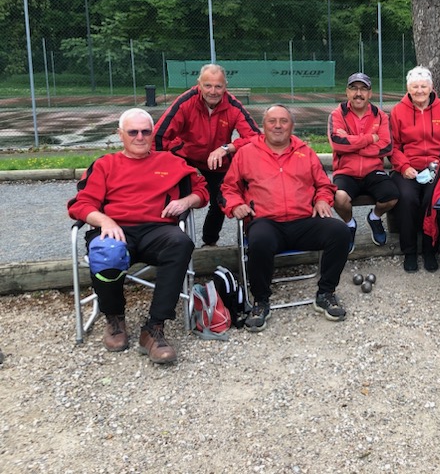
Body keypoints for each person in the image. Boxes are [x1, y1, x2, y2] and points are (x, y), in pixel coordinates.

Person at [67, 108, 209, 364]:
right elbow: (80, 204)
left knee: (181, 243)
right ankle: (114, 318)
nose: (140, 137)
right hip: (116, 229)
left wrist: (186, 201)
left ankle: (154, 328)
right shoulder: (105, 164)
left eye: (146, 131)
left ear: (153, 133)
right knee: (106, 251)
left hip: (158, 230)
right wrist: (104, 220)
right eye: (133, 132)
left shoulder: (171, 162)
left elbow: (202, 191)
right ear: (120, 134)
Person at [220, 105, 350, 331]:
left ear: (292, 126)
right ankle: (261, 301)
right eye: (272, 121)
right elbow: (228, 188)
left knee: (339, 231)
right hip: (266, 222)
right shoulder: (247, 152)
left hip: (303, 221)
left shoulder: (305, 151)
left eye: (283, 121)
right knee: (259, 240)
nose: (278, 126)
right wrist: (236, 205)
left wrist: (322, 200)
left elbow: (324, 184)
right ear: (264, 126)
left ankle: (326, 293)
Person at [154, 63, 260, 247]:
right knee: (177, 198)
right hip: (187, 158)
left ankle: (209, 243)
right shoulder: (185, 102)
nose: (213, 91)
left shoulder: (233, 106)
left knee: (221, 200)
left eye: (218, 86)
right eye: (208, 85)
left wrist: (227, 148)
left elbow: (256, 137)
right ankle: (175, 243)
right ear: (199, 85)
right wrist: (173, 156)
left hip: (218, 161)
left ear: (225, 86)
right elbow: (159, 136)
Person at [389, 66, 440, 272]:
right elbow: (393, 147)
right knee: (406, 198)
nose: (419, 90)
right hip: (408, 169)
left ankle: (430, 250)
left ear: (431, 87)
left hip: (436, 170)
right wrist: (404, 167)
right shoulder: (398, 111)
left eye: (423, 86)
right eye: (415, 87)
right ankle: (409, 251)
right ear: (408, 88)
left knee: (434, 199)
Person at [328, 73, 399, 253]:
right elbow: (337, 143)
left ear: (370, 93)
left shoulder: (381, 116)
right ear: (347, 92)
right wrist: (369, 139)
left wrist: (353, 144)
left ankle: (375, 218)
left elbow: (387, 147)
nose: (358, 93)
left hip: (373, 171)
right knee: (338, 197)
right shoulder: (337, 114)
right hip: (346, 171)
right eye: (354, 88)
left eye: (363, 89)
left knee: (392, 196)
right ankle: (350, 224)